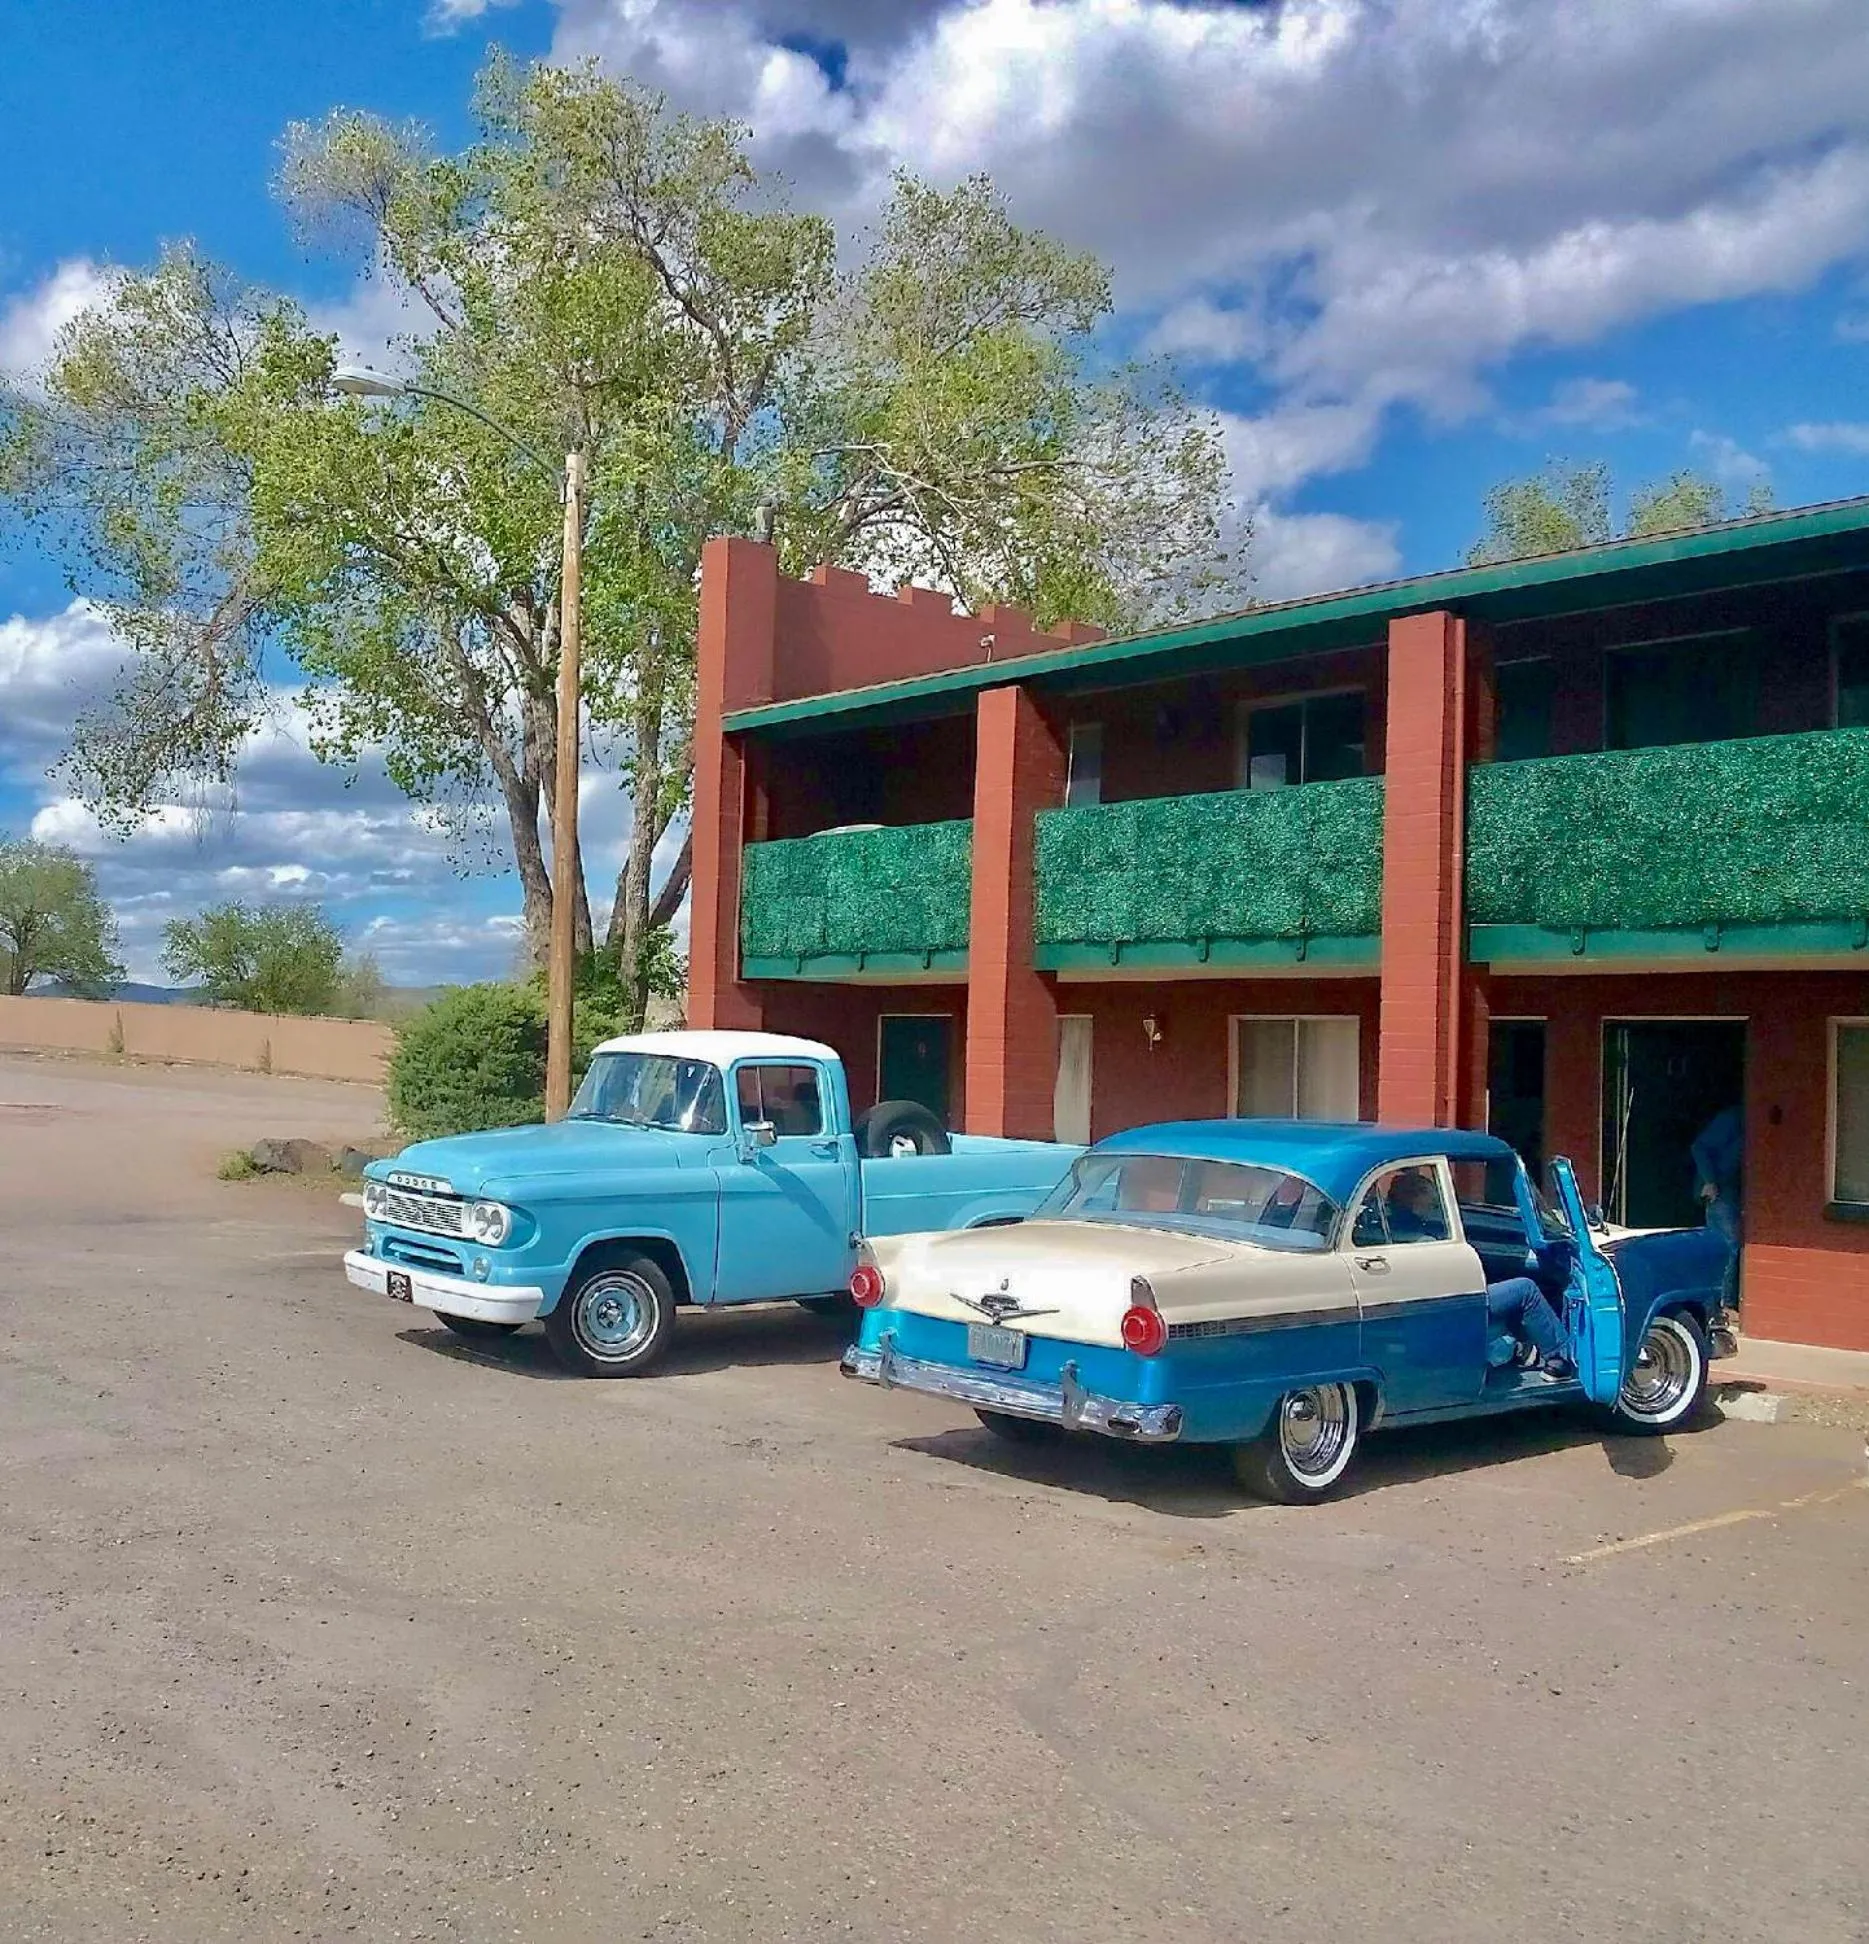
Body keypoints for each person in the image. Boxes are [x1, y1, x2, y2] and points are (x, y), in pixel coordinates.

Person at [1691, 1103, 1744, 1308]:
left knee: (1731, 1246)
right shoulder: (1732, 1118)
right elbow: (1698, 1147)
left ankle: (1721, 1301)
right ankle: (1720, 1303)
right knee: (1726, 1246)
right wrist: (1710, 1180)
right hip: (1722, 1190)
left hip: (1736, 1189)